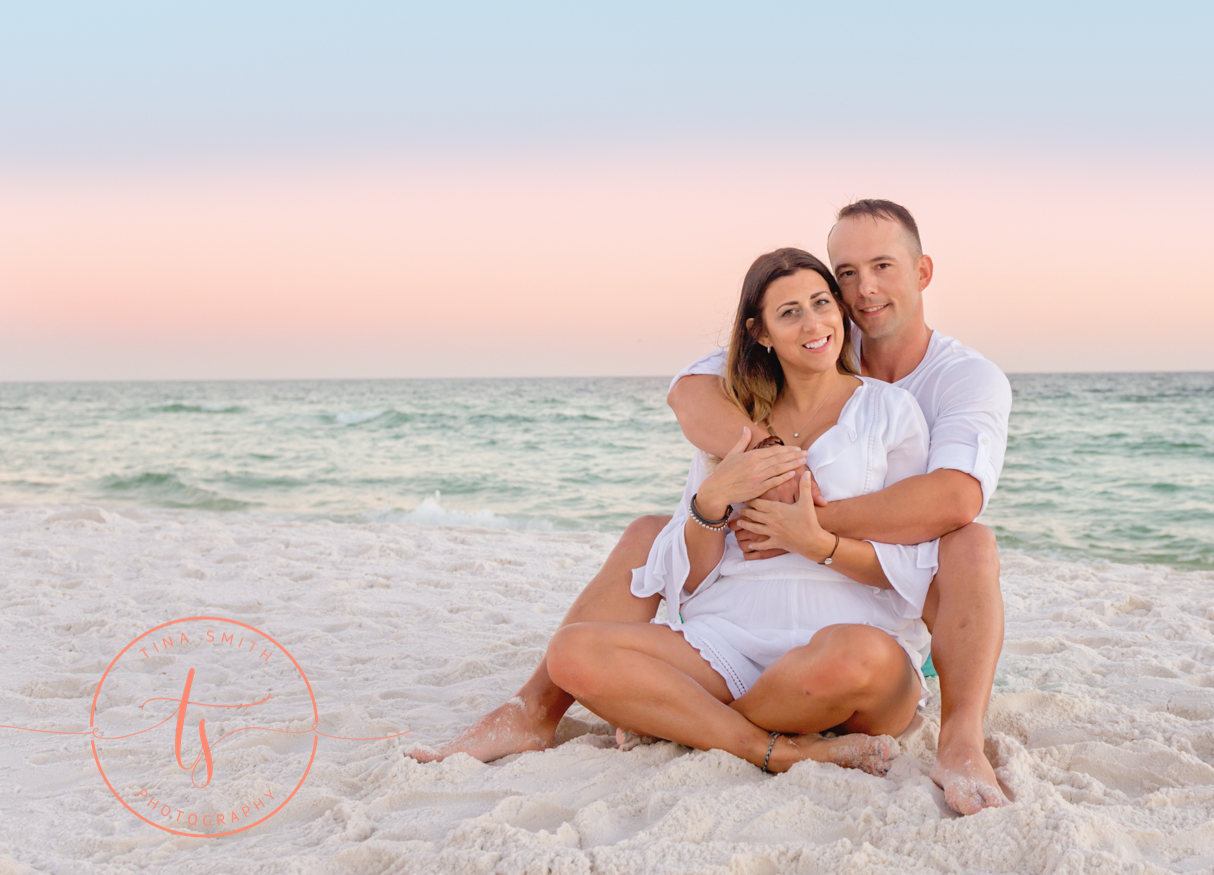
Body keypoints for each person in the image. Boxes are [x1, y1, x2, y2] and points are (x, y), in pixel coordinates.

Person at [413, 199, 1011, 815]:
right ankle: (743, 742)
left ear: (922, 271)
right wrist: (733, 478)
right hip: (735, 627)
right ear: (764, 330)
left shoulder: (934, 389)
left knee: (947, 566)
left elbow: (956, 500)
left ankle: (951, 740)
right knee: (587, 628)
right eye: (847, 274)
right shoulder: (782, 362)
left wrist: (806, 528)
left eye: (882, 266)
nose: (861, 291)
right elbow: (690, 391)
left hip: (859, 613)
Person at [544, 248, 937, 773]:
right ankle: (769, 748)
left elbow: (912, 560)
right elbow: (694, 581)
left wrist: (816, 542)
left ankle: (694, 722)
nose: (813, 322)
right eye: (790, 312)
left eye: (822, 303)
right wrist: (709, 503)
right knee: (572, 652)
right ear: (761, 333)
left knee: (859, 656)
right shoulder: (736, 421)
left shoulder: (891, 410)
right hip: (729, 637)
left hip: (845, 636)